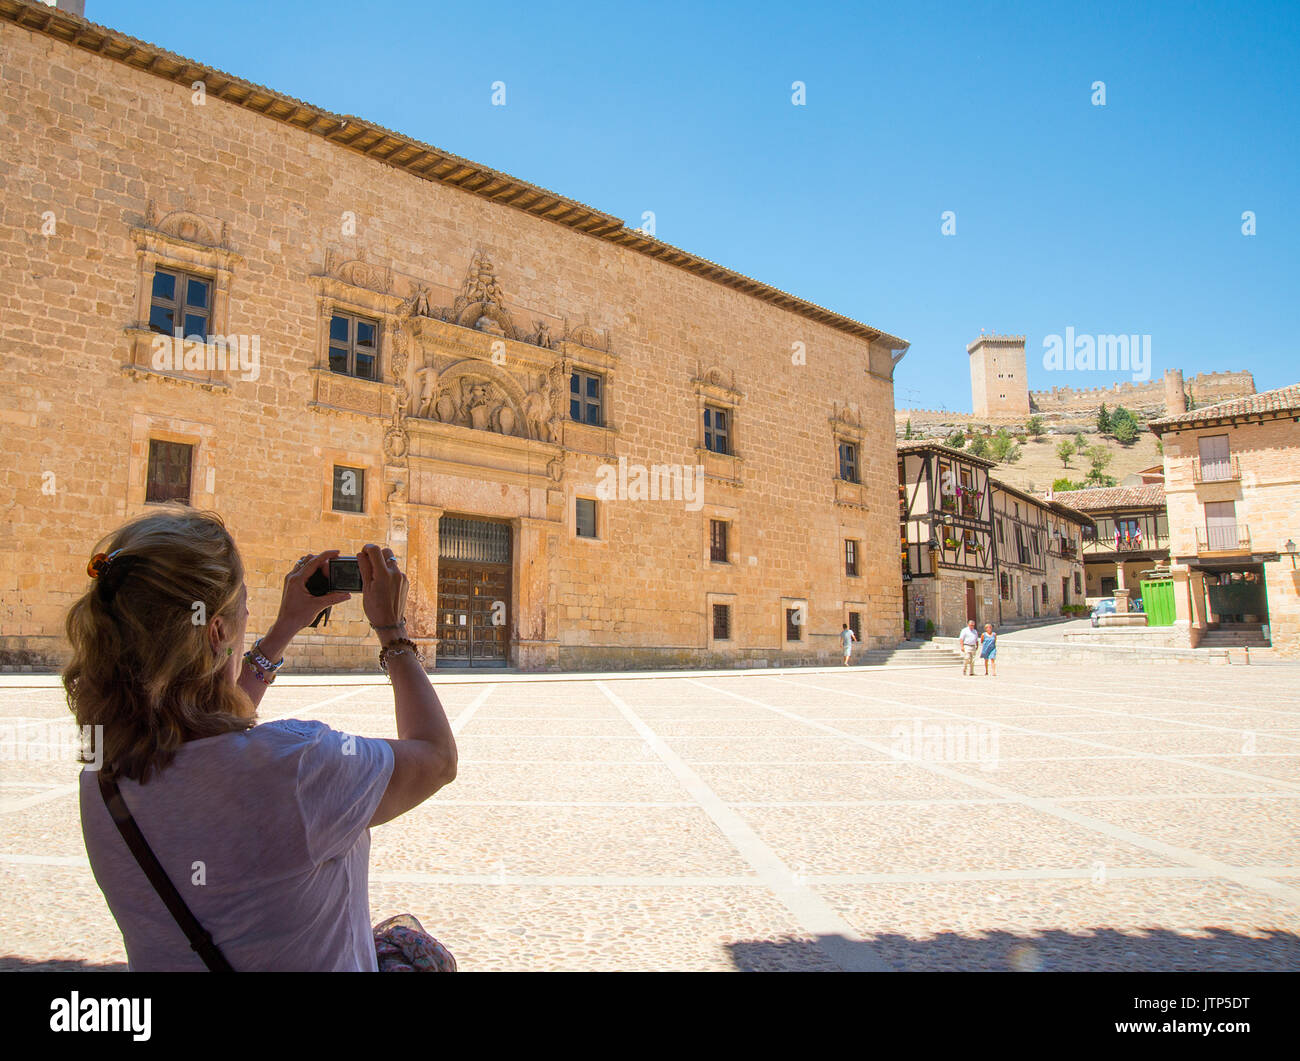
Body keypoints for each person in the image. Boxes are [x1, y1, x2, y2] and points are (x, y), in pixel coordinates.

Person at [65, 506, 457, 971]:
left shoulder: (103, 779)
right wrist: (392, 632)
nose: (248, 616)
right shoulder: (295, 766)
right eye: (243, 609)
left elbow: (209, 727)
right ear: (217, 632)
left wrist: (283, 628)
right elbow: (436, 757)